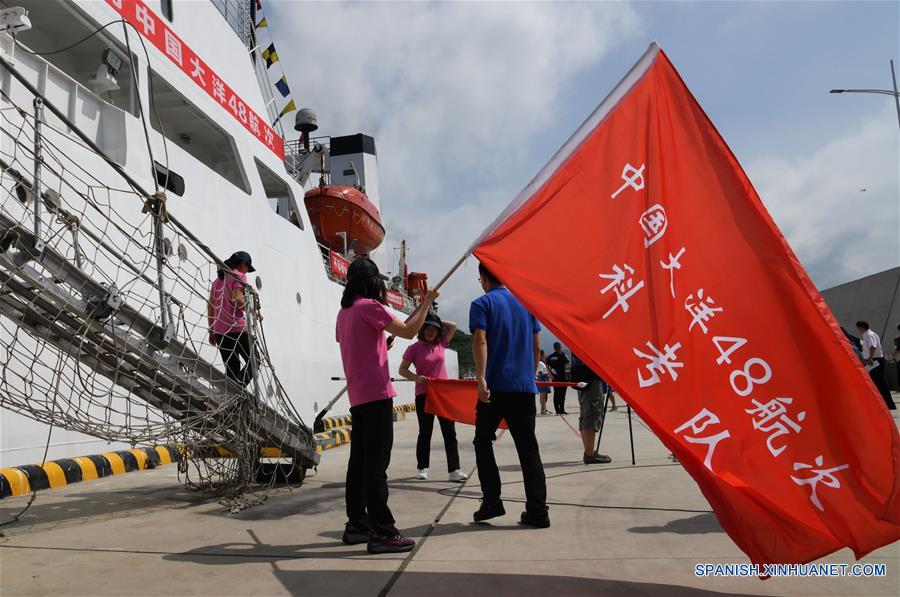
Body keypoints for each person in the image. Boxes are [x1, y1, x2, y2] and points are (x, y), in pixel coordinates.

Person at [336, 257, 439, 554]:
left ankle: (357, 524)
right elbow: (409, 331)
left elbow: (356, 344)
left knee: (359, 465)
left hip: (358, 397)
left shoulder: (344, 313)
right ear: (372, 283)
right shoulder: (370, 306)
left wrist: (382, 344)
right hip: (377, 395)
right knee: (376, 467)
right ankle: (382, 531)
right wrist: (427, 304)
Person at [470, 262, 549, 528]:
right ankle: (538, 512)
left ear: (483, 277)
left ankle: (492, 501)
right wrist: (528, 375)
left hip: (495, 388)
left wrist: (481, 379)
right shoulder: (527, 305)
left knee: (482, 441)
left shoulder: (482, 304)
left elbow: (480, 340)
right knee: (528, 450)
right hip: (524, 388)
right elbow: (537, 345)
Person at [399, 314, 468, 482]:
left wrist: (434, 320)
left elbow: (452, 325)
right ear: (422, 330)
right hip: (424, 394)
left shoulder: (441, 344)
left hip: (443, 395)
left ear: (438, 332)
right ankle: (422, 468)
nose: (430, 332)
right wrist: (417, 378)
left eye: (434, 329)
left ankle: (454, 469)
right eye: (427, 328)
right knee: (425, 432)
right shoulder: (413, 348)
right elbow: (403, 370)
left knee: (449, 432)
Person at [208, 251, 259, 386]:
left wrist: (211, 331)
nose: (247, 272)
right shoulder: (239, 276)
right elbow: (237, 300)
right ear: (243, 264)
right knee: (255, 360)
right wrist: (254, 312)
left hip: (220, 332)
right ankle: (238, 387)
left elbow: (211, 306)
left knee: (232, 370)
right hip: (236, 328)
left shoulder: (216, 282)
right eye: (248, 268)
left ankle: (232, 397)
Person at [570, 354, 612, 465]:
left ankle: (588, 451)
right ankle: (589, 454)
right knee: (592, 415)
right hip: (591, 377)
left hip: (583, 377)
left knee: (585, 415)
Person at [856, 321, 896, 410]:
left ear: (861, 327)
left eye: (858, 328)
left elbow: (873, 346)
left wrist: (870, 358)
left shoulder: (868, 335)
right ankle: (886, 404)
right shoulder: (870, 334)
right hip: (875, 360)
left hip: (875, 361)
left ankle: (887, 404)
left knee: (879, 383)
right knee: (878, 382)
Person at [546, 342, 570, 414]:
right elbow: (569, 363)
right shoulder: (562, 355)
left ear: (554, 348)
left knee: (556, 393)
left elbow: (547, 366)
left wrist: (550, 375)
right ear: (560, 347)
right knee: (562, 394)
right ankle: (562, 410)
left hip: (555, 378)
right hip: (563, 378)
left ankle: (557, 410)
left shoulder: (550, 356)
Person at [536, 350, 551, 415]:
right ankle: (543, 410)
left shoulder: (539, 363)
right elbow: (540, 373)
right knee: (543, 396)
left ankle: (544, 409)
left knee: (544, 396)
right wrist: (548, 373)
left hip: (542, 380)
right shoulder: (541, 363)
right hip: (543, 380)